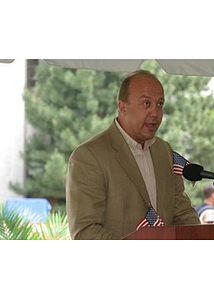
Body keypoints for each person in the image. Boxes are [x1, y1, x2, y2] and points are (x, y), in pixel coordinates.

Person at [66, 70, 200, 239]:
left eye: (160, 104)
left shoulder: (163, 151)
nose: (155, 113)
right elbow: (85, 231)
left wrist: (199, 236)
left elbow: (182, 214)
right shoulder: (88, 156)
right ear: (122, 107)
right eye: (146, 103)